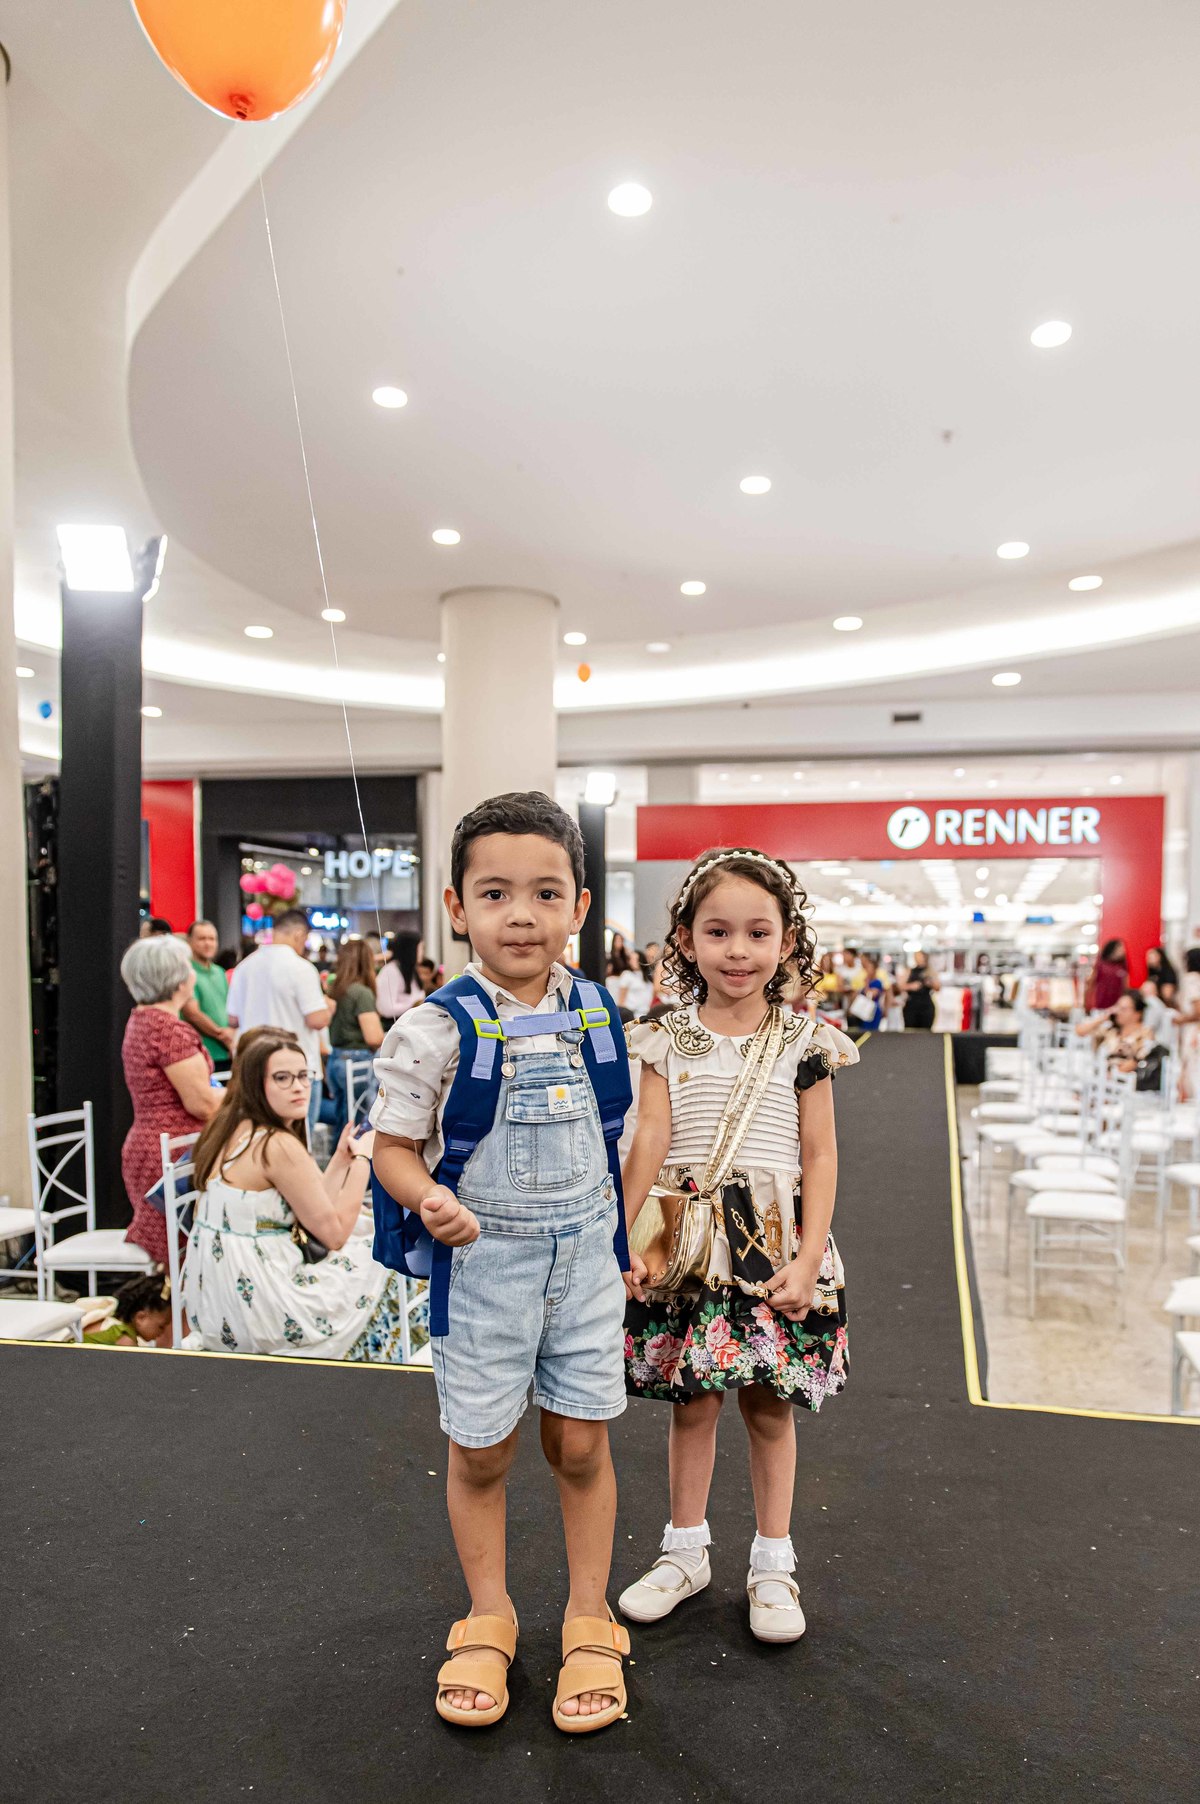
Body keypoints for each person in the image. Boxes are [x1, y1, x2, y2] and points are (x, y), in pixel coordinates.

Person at [371, 791, 634, 1733]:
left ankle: (589, 1614)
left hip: (588, 1268)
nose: (521, 915)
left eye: (545, 893)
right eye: (494, 894)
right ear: (456, 907)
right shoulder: (431, 1028)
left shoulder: (601, 1014)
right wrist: (426, 1197)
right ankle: (489, 1612)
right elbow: (391, 1146)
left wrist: (633, 1232)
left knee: (582, 1444)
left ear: (580, 907)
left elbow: (623, 1136)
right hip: (483, 1269)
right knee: (481, 1449)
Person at [617, 847, 857, 1644]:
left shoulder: (807, 1041)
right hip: (687, 1245)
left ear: (787, 941)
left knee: (770, 1406)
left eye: (758, 933)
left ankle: (773, 1563)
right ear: (686, 939)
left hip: (774, 1246)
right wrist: (625, 1236)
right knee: (692, 1402)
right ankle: (684, 1552)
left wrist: (810, 1257)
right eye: (718, 932)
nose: (739, 951)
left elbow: (820, 1155)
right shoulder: (662, 1039)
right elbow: (650, 1139)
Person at [183, 1027, 407, 1360]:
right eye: (282, 1078)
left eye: (303, 1076)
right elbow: (334, 1235)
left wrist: (341, 1160)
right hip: (265, 1305)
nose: (299, 1087)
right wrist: (364, 1159)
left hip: (216, 1302)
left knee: (372, 1235)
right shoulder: (277, 1145)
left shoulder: (231, 1126)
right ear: (256, 1084)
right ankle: (377, 1377)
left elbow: (310, 1206)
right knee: (389, 1255)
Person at [119, 935, 220, 1265]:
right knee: (188, 1255)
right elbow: (202, 1104)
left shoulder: (143, 1019)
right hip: (173, 1153)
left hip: (154, 1145)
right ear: (177, 979)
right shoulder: (168, 1030)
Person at [226, 907, 334, 1137]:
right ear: (299, 934)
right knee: (299, 1140)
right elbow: (317, 1019)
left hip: (254, 1068)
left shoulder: (244, 966)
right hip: (295, 1071)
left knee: (257, 1138)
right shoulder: (301, 967)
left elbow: (232, 1019)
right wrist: (329, 1009)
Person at [326, 937, 386, 1136]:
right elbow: (373, 1037)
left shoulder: (335, 988)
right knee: (358, 1126)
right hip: (357, 1063)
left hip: (335, 1060)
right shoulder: (361, 993)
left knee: (342, 1124)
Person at [1075, 988, 1163, 1088]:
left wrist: (1112, 1075)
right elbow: (1080, 1031)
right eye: (1117, 1007)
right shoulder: (1111, 1030)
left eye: (1123, 1009)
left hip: (1126, 1085)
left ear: (1137, 1014)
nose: (1118, 1012)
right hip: (1102, 1082)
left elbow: (1139, 1060)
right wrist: (1104, 1017)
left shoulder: (1146, 1033)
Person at [182, 919, 235, 1072]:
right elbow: (192, 1013)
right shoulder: (186, 972)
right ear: (189, 941)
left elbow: (229, 1008)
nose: (208, 943)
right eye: (202, 938)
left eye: (212, 939)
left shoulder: (219, 972)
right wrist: (223, 1035)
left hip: (225, 1052)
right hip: (200, 1054)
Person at [82, 1272, 173, 1348]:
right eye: (161, 1326)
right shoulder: (126, 1340)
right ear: (140, 1318)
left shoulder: (112, 1324)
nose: (162, 1333)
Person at [376, 930, 424, 1026]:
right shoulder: (390, 971)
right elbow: (386, 1009)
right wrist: (414, 1005)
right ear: (411, 949)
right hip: (394, 1025)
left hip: (412, 1022)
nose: (422, 952)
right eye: (421, 948)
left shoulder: (410, 970)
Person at [1175, 948, 1200, 1100]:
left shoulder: (1191, 979)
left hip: (1193, 1030)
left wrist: (1180, 1019)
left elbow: (1198, 1010)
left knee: (1191, 1067)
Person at [898, 949, 939, 1031]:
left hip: (926, 1005)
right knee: (910, 1031)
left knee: (925, 1031)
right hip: (911, 1005)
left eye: (919, 956)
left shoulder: (930, 971)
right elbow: (900, 986)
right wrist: (911, 986)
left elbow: (938, 987)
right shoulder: (910, 970)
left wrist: (930, 983)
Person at [1085, 939, 1128, 1012]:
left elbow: (1125, 985)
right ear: (1113, 949)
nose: (1123, 950)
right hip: (1100, 1004)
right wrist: (1087, 1002)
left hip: (1116, 1006)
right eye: (1120, 948)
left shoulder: (1122, 966)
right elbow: (1090, 983)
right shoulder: (1101, 964)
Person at [848, 952, 887, 1030]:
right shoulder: (865, 981)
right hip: (863, 1009)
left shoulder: (877, 982)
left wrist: (866, 983)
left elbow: (871, 994)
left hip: (872, 1010)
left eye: (870, 968)